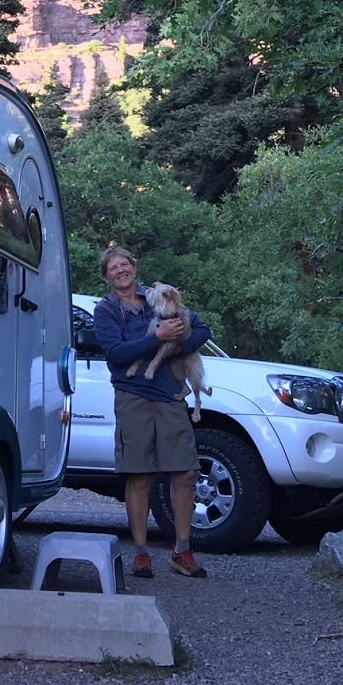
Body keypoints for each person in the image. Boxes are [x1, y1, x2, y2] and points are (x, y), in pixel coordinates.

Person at [92, 245, 212, 579]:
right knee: (139, 476)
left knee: (185, 473)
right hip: (132, 397)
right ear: (107, 276)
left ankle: (182, 550)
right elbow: (116, 353)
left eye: (125, 264)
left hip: (171, 395)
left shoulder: (161, 296)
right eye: (113, 268)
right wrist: (157, 337)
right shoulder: (105, 311)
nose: (120, 270)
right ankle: (141, 553)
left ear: (134, 267)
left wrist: (175, 348)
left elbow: (202, 328)